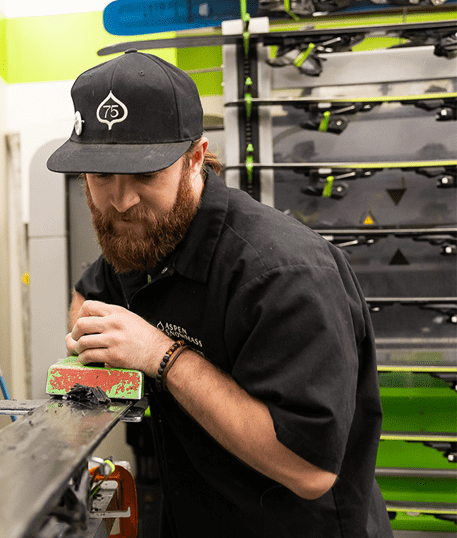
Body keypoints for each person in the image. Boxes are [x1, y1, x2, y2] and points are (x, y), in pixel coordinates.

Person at [47, 50, 391, 537]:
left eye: (145, 174)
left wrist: (161, 356)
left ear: (194, 160)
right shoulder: (146, 234)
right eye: (101, 175)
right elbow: (90, 293)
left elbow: (309, 469)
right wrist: (90, 343)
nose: (121, 201)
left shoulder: (284, 272)